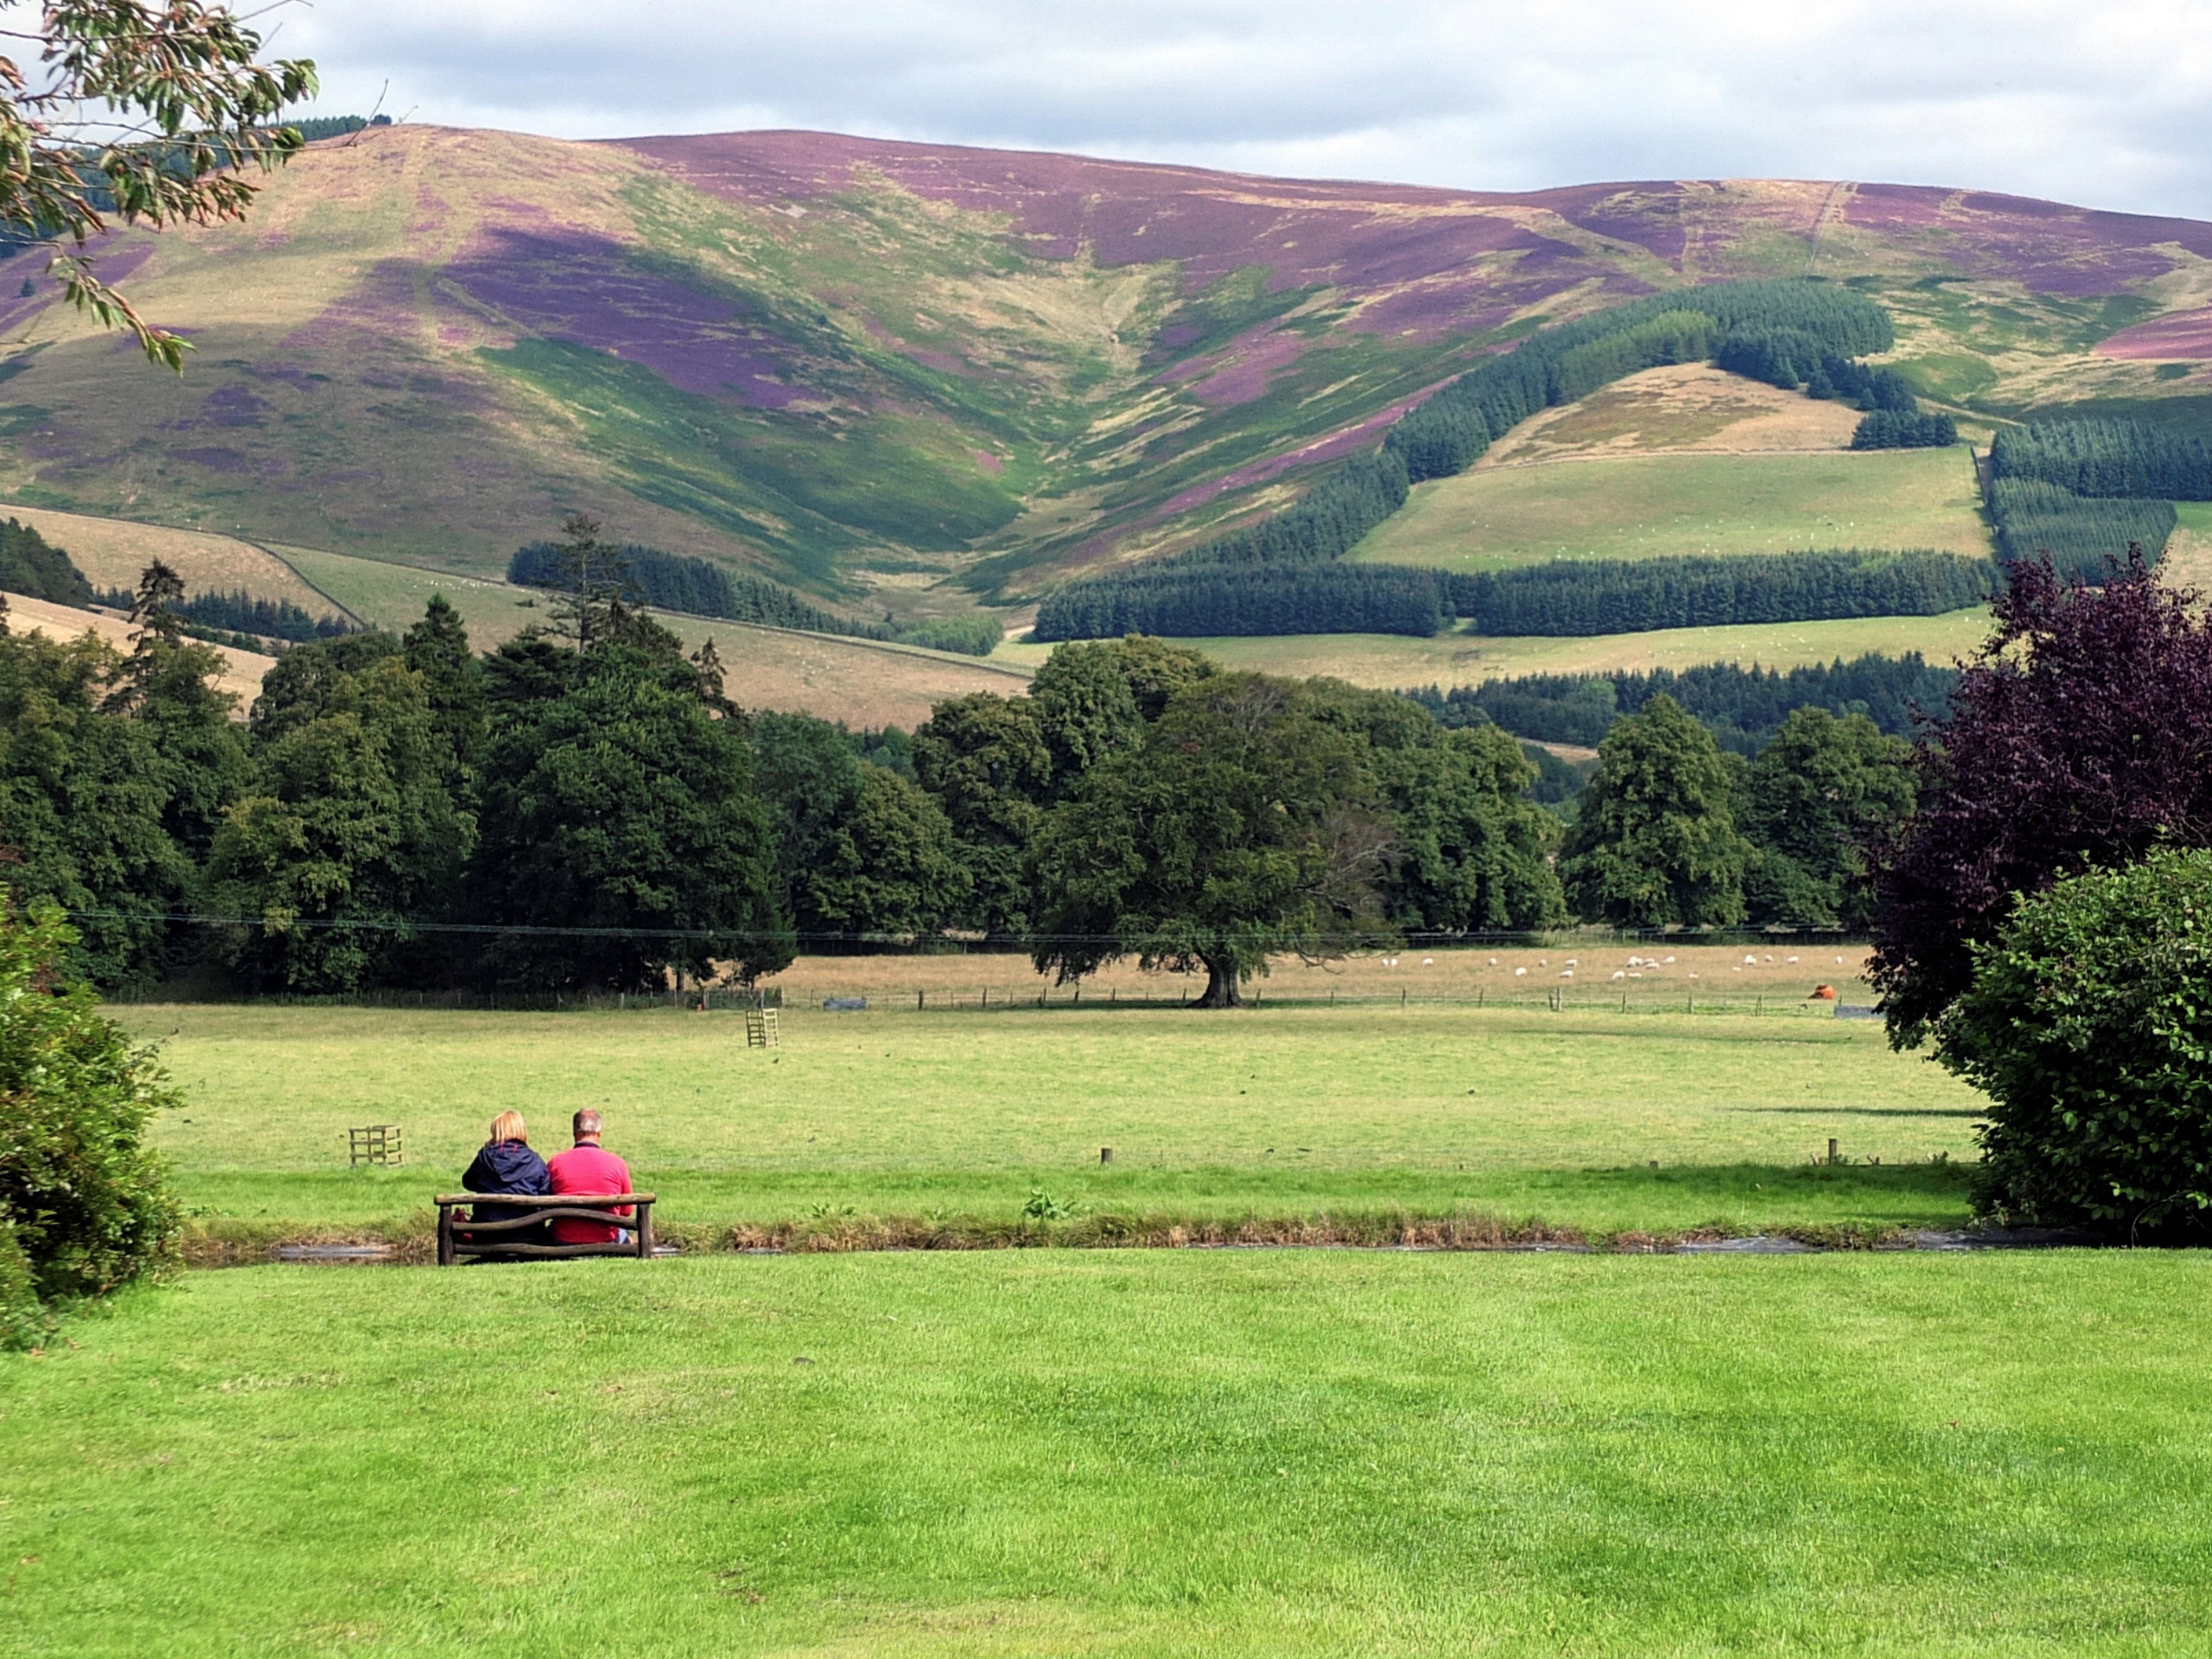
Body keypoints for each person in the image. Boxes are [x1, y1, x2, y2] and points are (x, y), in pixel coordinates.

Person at [546, 1108, 635, 1246]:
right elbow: (627, 1210)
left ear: (574, 1132)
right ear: (599, 1133)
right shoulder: (617, 1163)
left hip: (564, 1238)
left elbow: (546, 1204)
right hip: (607, 1237)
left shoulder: (556, 1163)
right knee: (625, 1235)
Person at [460, 1111, 551, 1244]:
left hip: (487, 1234)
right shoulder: (535, 1161)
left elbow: (468, 1182)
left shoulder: (485, 1157)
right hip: (528, 1234)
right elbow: (545, 1196)